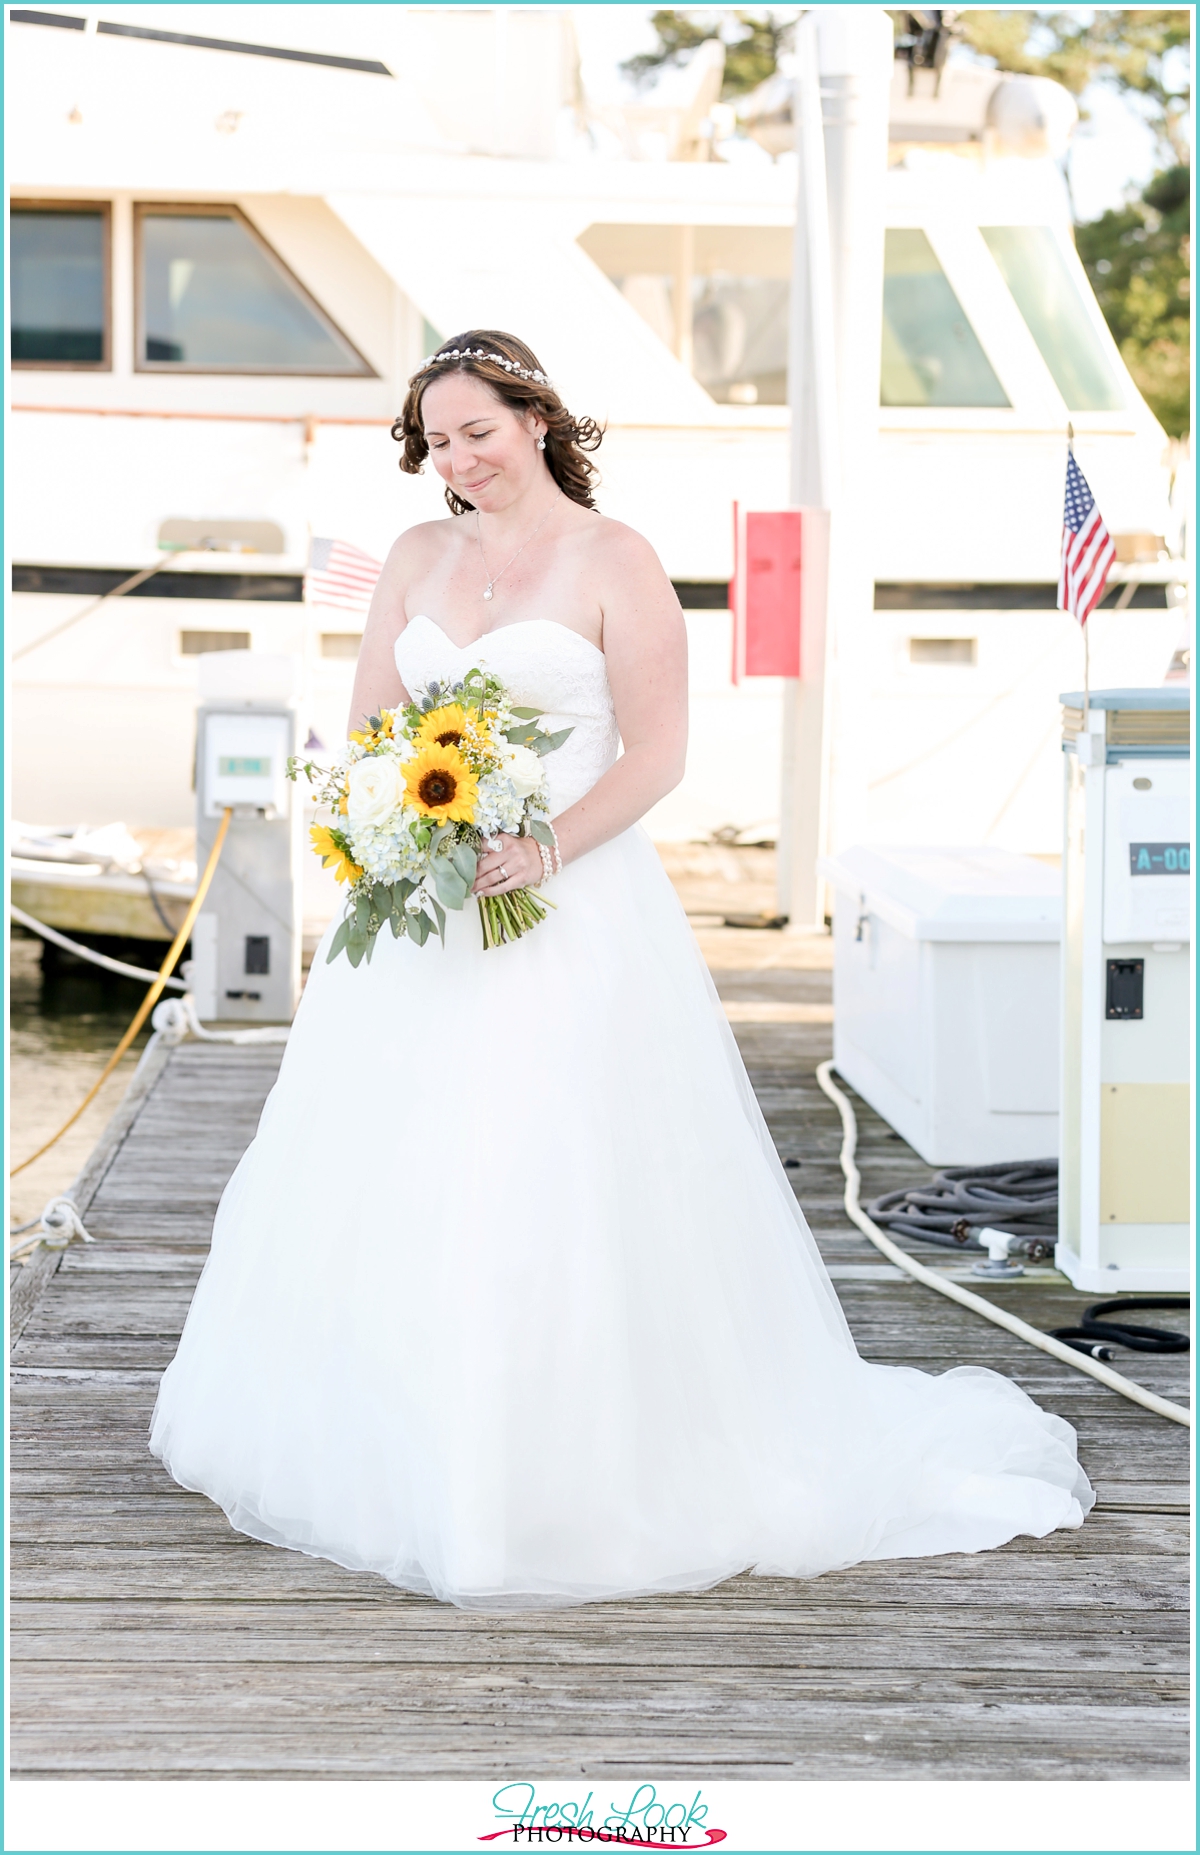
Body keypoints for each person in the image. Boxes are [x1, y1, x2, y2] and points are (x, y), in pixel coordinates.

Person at [149, 329, 1093, 1611]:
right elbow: (375, 726)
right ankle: (406, 1449)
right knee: (396, 1171)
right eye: (436, 442)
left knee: (556, 1175)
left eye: (477, 430)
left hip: (571, 912)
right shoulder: (418, 558)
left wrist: (541, 847)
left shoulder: (617, 559)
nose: (459, 459)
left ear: (536, 418)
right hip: (422, 919)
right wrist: (392, 820)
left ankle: (559, 1472)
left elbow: (657, 753)